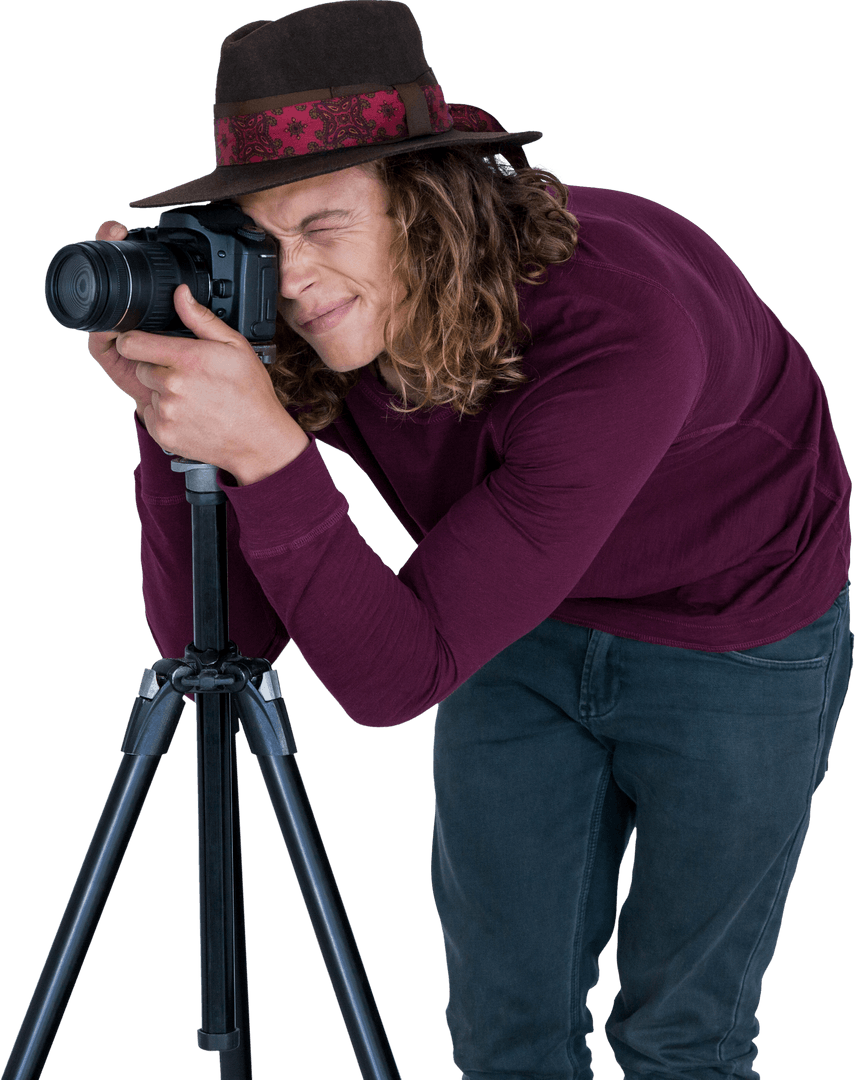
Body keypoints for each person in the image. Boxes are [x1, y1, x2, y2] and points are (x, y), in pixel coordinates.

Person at [86, 3, 853, 1078]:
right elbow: (227, 645)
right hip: (513, 618)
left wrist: (267, 450)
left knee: (679, 1035)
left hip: (736, 627)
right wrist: (170, 409)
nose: (291, 278)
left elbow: (392, 681)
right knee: (504, 1033)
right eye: (262, 236)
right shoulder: (315, 321)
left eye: (323, 225)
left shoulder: (619, 330)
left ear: (424, 205)